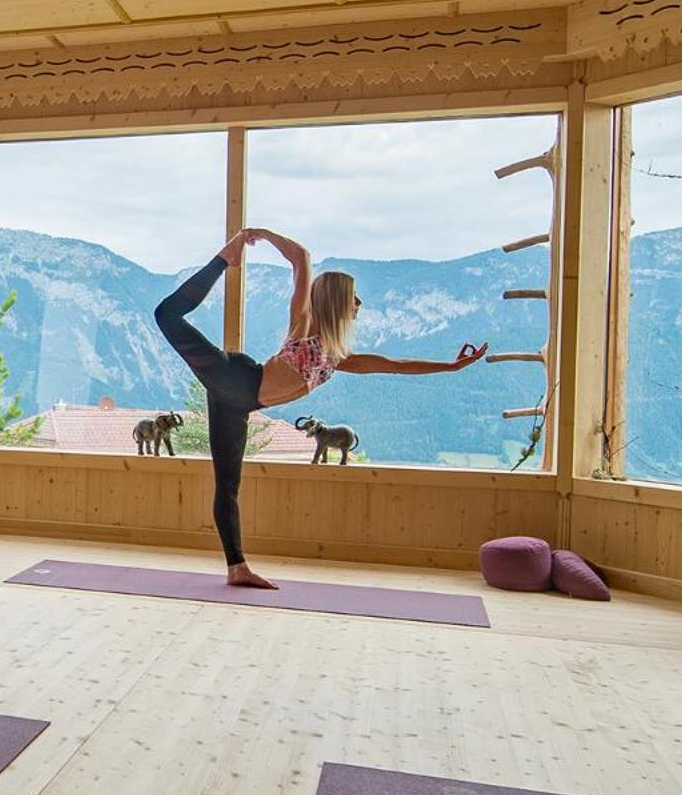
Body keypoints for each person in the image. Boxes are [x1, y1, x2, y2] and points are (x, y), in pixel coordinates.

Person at [153, 226, 489, 588]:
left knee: (228, 486)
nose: (359, 303)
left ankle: (237, 568)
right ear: (336, 300)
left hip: (238, 405)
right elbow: (301, 258)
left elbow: (396, 364)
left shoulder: (337, 357)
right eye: (353, 296)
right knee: (166, 315)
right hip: (236, 378)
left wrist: (450, 366)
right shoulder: (303, 325)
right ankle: (225, 259)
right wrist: (256, 235)